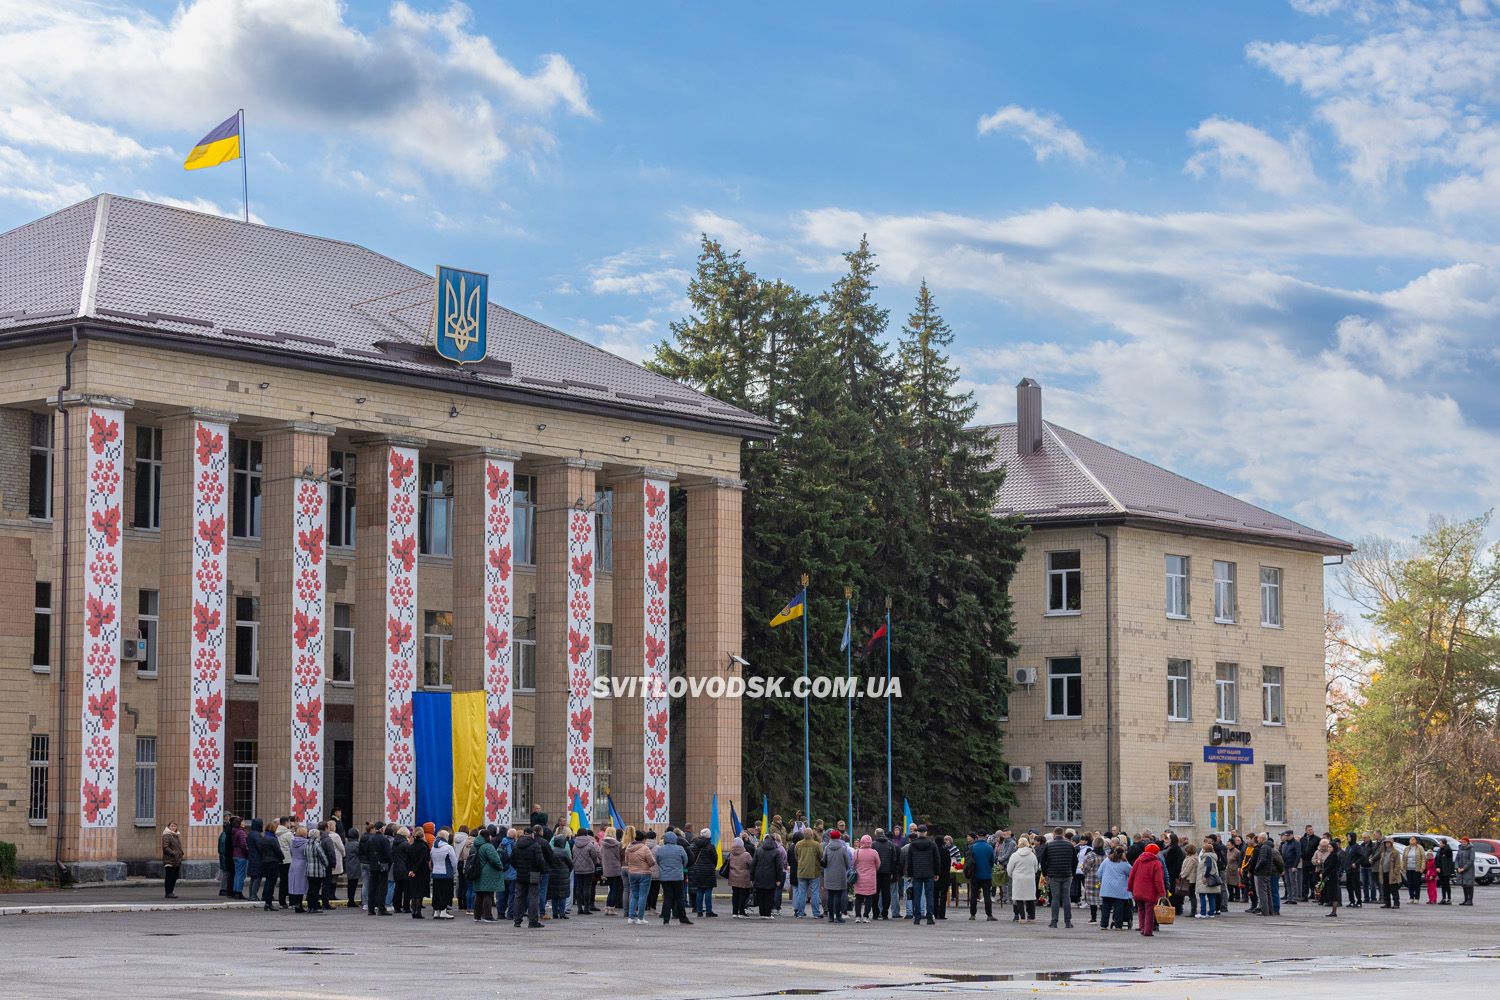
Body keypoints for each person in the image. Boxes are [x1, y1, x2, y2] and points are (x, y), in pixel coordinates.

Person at [904, 825, 944, 926]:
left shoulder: (912, 845)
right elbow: (937, 860)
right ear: (926, 832)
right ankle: (929, 917)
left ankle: (917, 918)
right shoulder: (932, 844)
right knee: (929, 895)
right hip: (929, 873)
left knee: (917, 896)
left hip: (916, 873)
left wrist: (910, 874)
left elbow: (909, 861)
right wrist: (937, 873)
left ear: (917, 832)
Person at [1039, 826, 1076, 928]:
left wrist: (1046, 874)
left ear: (1054, 834)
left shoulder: (1049, 845)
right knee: (1066, 897)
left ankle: (1054, 921)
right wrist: (1072, 872)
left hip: (1054, 875)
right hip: (1067, 874)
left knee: (1055, 898)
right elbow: (1075, 861)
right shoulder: (1070, 845)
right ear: (1063, 834)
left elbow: (1043, 861)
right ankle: (1068, 922)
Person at [510, 825, 548, 928]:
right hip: (534, 873)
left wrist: (519, 868)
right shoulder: (535, 845)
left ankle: (517, 921)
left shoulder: (516, 845)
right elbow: (540, 861)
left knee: (518, 897)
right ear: (532, 834)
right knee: (533, 897)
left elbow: (512, 860)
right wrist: (541, 870)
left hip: (520, 873)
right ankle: (533, 921)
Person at [1128, 842, 1166, 936]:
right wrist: (1162, 893)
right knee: (1149, 912)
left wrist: (1130, 888)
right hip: (1150, 892)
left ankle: (1142, 928)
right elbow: (1158, 881)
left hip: (1137, 890)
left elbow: (1131, 876)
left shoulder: (1138, 861)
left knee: (1141, 910)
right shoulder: (1156, 863)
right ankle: (1148, 931)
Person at [655, 830, 692, 925]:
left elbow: (658, 861)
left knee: (667, 897)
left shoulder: (660, 849)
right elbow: (685, 861)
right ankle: (683, 918)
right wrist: (680, 867)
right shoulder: (680, 849)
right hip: (678, 877)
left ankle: (666, 919)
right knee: (679, 898)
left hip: (665, 877)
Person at [473, 828, 505, 922]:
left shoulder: (476, 845)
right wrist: (500, 866)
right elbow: (495, 860)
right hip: (487, 873)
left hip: (478, 871)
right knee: (488, 894)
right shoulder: (488, 846)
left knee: (479, 894)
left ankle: (477, 916)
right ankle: (487, 916)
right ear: (488, 836)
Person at [821, 830, 852, 924]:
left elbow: (824, 861)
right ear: (839, 837)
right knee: (838, 895)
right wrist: (844, 869)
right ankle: (838, 916)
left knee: (830, 895)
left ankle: (830, 916)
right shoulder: (843, 848)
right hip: (840, 875)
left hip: (828, 875)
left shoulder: (827, 848)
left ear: (830, 837)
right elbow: (847, 863)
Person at [1006, 836, 1039, 923]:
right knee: (1030, 898)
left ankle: (1022, 918)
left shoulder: (1015, 855)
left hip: (1018, 879)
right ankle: (1032, 917)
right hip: (1030, 878)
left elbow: (1009, 869)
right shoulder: (1032, 855)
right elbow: (1036, 868)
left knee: (1019, 898)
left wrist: (1012, 875)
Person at [687, 827, 719, 917]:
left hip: (698, 870)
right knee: (708, 891)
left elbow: (692, 857)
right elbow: (715, 859)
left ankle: (699, 911)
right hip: (709, 871)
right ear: (709, 836)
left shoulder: (695, 845)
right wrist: (713, 866)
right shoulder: (711, 846)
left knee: (699, 891)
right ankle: (709, 911)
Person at [624, 830, 654, 924]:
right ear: (644, 839)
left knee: (633, 894)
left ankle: (631, 917)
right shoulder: (645, 848)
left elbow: (626, 861)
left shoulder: (629, 848)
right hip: (644, 873)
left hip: (632, 873)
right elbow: (652, 862)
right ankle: (640, 918)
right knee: (642, 896)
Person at [1097, 845, 1130, 930]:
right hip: (1119, 890)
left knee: (1106, 908)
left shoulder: (1106, 860)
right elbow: (1131, 873)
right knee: (1119, 908)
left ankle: (1103, 925)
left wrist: (1103, 880)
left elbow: (1099, 873)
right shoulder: (1124, 863)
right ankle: (1118, 925)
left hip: (1107, 888)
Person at [363, 823, 392, 916]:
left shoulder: (370, 839)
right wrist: (388, 862)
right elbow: (388, 855)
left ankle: (371, 909)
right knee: (382, 888)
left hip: (372, 866)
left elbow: (366, 853)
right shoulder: (385, 840)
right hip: (383, 867)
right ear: (382, 829)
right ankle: (381, 908)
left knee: (372, 887)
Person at [752, 834, 784, 919]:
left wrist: (752, 877)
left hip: (759, 876)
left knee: (761, 895)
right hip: (771, 877)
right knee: (769, 896)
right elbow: (779, 867)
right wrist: (779, 879)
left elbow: (753, 864)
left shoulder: (758, 850)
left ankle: (761, 913)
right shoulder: (776, 852)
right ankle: (767, 913)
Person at [968, 832, 997, 921]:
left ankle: (972, 915)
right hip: (986, 874)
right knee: (987, 895)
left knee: (974, 894)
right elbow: (992, 860)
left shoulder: (972, 847)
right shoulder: (989, 847)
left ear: (977, 836)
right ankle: (989, 915)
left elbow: (968, 861)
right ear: (985, 837)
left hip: (975, 874)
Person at [573, 827, 602, 914]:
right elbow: (594, 857)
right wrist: (594, 863)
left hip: (577, 869)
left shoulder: (575, 844)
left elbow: (573, 855)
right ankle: (586, 908)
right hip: (589, 869)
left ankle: (579, 908)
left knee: (579, 888)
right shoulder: (590, 844)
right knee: (587, 888)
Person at [429, 828, 457, 919]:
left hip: (436, 872)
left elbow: (432, 860)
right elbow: (454, 861)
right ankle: (443, 911)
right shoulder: (448, 847)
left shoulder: (433, 847)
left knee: (436, 892)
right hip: (446, 873)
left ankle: (436, 911)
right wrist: (454, 871)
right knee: (445, 892)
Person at [407, 826, 432, 919]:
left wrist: (411, 870)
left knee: (414, 891)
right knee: (420, 892)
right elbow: (424, 859)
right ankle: (418, 911)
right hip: (422, 871)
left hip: (412, 871)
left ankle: (413, 911)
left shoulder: (411, 846)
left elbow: (408, 860)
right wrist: (415, 869)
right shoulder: (423, 846)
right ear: (422, 837)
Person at [259, 820, 283, 911]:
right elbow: (278, 851)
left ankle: (267, 903)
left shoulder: (263, 838)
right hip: (273, 862)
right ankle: (269, 903)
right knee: (271, 883)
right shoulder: (273, 839)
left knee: (268, 882)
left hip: (265, 862)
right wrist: (282, 858)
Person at [600, 828, 624, 915]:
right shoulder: (618, 845)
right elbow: (620, 856)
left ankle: (607, 906)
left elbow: (600, 855)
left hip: (607, 869)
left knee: (611, 888)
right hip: (616, 868)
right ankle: (611, 908)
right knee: (615, 889)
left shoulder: (602, 844)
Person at [287, 825, 310, 913]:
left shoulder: (292, 842)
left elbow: (291, 852)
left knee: (295, 885)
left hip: (293, 863)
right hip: (302, 864)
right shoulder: (306, 843)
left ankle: (296, 904)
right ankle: (299, 905)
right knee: (301, 885)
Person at [1195, 838, 1220, 918]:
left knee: (1202, 895)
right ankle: (1211, 912)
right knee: (1211, 895)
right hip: (1211, 878)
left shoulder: (1207, 857)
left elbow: (1208, 867)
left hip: (1206, 878)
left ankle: (1203, 913)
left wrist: (1205, 876)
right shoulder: (1213, 856)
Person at [1378, 835, 1403, 908]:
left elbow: (1398, 864)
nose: (1387, 844)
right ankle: (1387, 903)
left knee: (1394, 889)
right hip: (1384, 873)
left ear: (1391, 843)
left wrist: (1395, 873)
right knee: (1385, 889)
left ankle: (1396, 903)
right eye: (1386, 843)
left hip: (1392, 874)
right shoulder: (1383, 853)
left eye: (1389, 843)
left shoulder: (1395, 852)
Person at [161, 821, 183, 899]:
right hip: (169, 860)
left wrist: (180, 854)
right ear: (169, 827)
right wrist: (173, 853)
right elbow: (165, 847)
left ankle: (171, 892)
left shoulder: (176, 835)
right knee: (169, 876)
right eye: (172, 826)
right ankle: (168, 892)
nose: (173, 827)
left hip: (176, 860)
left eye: (175, 826)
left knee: (174, 876)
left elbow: (178, 847)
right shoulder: (167, 835)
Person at [1177, 842, 1198, 919]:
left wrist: (1181, 875)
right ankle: (1193, 910)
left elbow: (1187, 870)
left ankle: (1193, 911)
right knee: (1192, 895)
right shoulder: (1194, 858)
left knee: (1191, 895)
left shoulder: (1191, 859)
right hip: (1192, 878)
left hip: (1190, 879)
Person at [1402, 837, 1426, 903]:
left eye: (1413, 839)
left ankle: (1417, 898)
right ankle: (1411, 897)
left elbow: (1423, 858)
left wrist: (1422, 868)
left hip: (1417, 869)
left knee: (1416, 884)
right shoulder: (1406, 848)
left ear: (1416, 841)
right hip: (1408, 869)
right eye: (1410, 839)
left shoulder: (1420, 848)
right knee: (1410, 884)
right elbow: (1403, 858)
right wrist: (1403, 867)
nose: (1412, 840)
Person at [1299, 824, 1319, 901]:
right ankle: (1305, 896)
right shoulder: (1302, 839)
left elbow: (1318, 850)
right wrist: (1301, 855)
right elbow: (1300, 848)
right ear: (1306, 831)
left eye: (1311, 829)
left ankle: (1315, 894)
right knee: (1305, 879)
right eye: (1309, 830)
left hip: (1313, 861)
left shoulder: (1317, 839)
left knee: (1314, 879)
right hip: (1305, 861)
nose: (1310, 831)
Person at [1455, 838, 1477, 906]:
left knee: (1469, 885)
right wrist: (1457, 867)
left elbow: (1471, 860)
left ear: (1468, 842)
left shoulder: (1471, 849)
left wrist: (1464, 868)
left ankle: (1470, 900)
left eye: (1464, 842)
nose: (1463, 843)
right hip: (1460, 869)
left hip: (1468, 870)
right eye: (1462, 842)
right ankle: (1466, 899)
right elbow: (1457, 859)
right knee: (1464, 885)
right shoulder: (1460, 848)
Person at [1437, 840, 1455, 904]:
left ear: (1444, 844)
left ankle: (1449, 899)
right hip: (1440, 870)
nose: (1440, 844)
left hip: (1446, 870)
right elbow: (1437, 859)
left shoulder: (1448, 850)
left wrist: (1449, 870)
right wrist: (1437, 867)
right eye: (1440, 843)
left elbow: (1450, 861)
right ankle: (1443, 898)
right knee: (1443, 885)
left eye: (1441, 843)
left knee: (1447, 884)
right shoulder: (1439, 850)